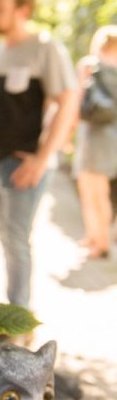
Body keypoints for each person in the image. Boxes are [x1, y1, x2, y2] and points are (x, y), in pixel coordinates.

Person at [0, 0, 77, 307]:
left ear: (23, 10)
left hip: (23, 166)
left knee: (16, 241)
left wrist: (42, 159)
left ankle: (18, 318)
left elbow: (68, 102)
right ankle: (15, 312)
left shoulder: (46, 47)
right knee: (6, 241)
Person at [75, 25, 117, 259]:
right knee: (96, 191)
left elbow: (79, 101)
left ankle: (101, 243)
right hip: (107, 138)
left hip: (96, 137)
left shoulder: (93, 67)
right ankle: (94, 237)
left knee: (94, 192)